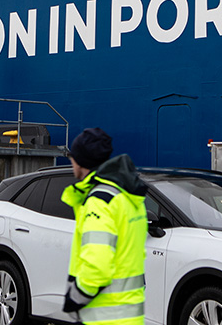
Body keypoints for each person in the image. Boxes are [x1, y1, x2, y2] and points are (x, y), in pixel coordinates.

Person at [61, 127, 147, 325]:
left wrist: (75, 297)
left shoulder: (100, 201)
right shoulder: (128, 197)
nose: (71, 162)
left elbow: (97, 263)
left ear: (81, 161)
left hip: (102, 317)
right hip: (129, 315)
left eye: (72, 157)